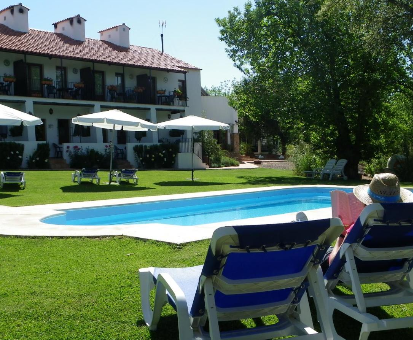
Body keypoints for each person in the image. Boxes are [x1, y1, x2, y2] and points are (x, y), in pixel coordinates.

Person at [322, 172, 413, 271]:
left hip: (355, 270)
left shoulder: (360, 228)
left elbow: (333, 262)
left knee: (322, 251)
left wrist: (342, 235)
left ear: (366, 203)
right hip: (389, 268)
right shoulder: (407, 226)